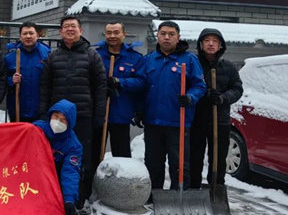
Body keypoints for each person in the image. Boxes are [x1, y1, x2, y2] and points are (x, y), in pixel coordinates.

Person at [39, 15, 106, 213]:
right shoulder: (53, 56)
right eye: (66, 26)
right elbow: (45, 86)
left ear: (80, 30)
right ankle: (56, 196)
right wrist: (43, 113)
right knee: (55, 157)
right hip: (57, 118)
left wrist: (99, 114)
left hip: (83, 115)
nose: (70, 29)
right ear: (60, 31)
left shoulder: (92, 55)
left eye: (73, 26)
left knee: (81, 158)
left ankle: (79, 198)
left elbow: (100, 86)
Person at [131, 21, 206, 190]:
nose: (167, 37)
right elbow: (140, 87)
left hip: (178, 122)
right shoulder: (148, 60)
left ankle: (178, 195)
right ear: (157, 36)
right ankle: (154, 194)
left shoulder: (189, 60)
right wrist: (139, 110)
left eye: (171, 34)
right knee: (153, 163)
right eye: (163, 33)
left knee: (179, 164)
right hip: (153, 122)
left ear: (178, 37)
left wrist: (190, 97)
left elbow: (200, 86)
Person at [190, 28, 243, 189]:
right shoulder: (193, 63)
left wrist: (222, 98)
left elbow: (237, 89)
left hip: (220, 120)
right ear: (201, 44)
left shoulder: (228, 67)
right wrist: (203, 94)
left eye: (215, 41)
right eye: (207, 41)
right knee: (194, 157)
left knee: (218, 158)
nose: (211, 44)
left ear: (220, 45)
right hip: (197, 119)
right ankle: (193, 187)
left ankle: (216, 186)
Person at [33, 99, 82, 215]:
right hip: (36, 173)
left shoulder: (73, 145)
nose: (58, 122)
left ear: (70, 123)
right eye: (56, 116)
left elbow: (70, 173)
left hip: (57, 177)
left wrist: (69, 200)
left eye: (63, 119)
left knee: (67, 189)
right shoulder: (36, 129)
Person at [96, 21, 144, 158]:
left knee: (122, 155)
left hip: (121, 113)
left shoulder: (135, 58)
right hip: (99, 113)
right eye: (109, 33)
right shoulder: (96, 55)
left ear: (124, 34)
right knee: (94, 153)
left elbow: (141, 82)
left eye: (116, 32)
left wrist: (120, 82)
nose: (112, 36)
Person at [4, 22, 51, 123]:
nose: (28, 36)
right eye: (25, 33)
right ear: (20, 37)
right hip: (17, 109)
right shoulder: (10, 58)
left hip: (39, 110)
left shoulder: (46, 56)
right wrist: (11, 80)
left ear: (37, 35)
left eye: (31, 33)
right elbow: (1, 80)